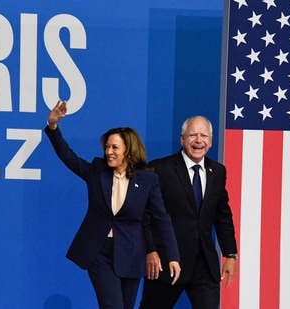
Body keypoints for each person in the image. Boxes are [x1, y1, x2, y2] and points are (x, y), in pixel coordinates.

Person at [45, 100, 181, 309]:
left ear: (128, 150)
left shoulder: (147, 180)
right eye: (107, 147)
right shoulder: (97, 172)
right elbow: (69, 157)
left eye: (115, 147)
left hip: (131, 254)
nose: (109, 152)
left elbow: (162, 218)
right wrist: (53, 127)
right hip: (100, 252)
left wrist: (173, 256)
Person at [139, 116, 238, 309]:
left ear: (210, 141)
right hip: (167, 262)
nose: (198, 140)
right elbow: (145, 215)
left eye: (204, 136)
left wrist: (230, 254)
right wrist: (151, 251)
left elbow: (222, 215)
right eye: (193, 135)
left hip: (204, 265)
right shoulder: (160, 169)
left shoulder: (217, 171)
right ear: (182, 139)